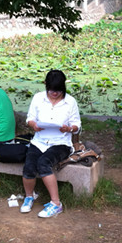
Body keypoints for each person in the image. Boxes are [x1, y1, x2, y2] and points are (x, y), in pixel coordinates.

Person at [20, 70, 81, 218]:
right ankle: (29, 196)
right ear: (46, 85)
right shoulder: (38, 98)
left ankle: (56, 203)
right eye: (52, 90)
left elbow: (77, 125)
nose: (54, 93)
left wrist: (69, 128)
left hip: (61, 142)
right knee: (29, 166)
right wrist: (34, 125)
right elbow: (30, 118)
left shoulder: (70, 102)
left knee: (44, 163)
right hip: (39, 140)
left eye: (58, 90)